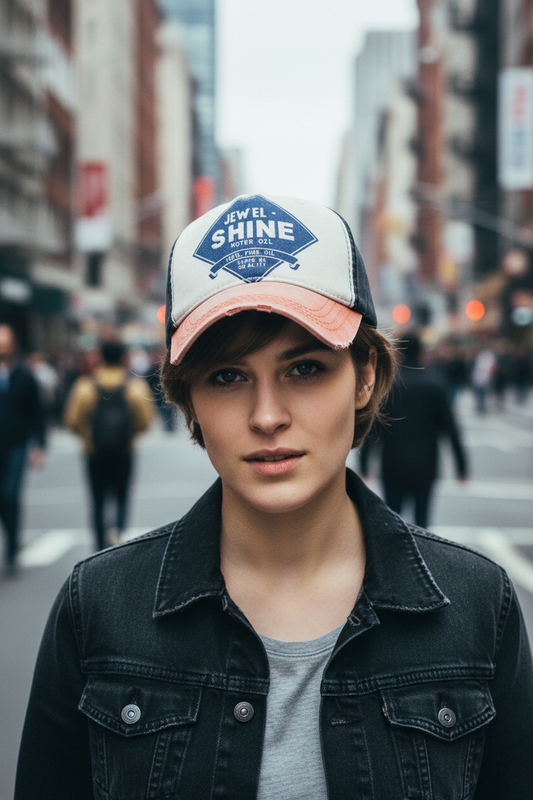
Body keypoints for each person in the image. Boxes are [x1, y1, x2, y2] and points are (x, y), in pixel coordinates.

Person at [15, 195, 533, 799]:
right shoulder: (96, 610)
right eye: (227, 376)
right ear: (188, 399)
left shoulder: (476, 608)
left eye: (305, 368)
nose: (267, 416)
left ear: (365, 375)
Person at [359, 331, 469, 528]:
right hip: (425, 464)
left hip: (393, 463)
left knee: (392, 520)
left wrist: (365, 464)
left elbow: (374, 429)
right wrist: (461, 466)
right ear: (422, 353)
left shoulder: (389, 386)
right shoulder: (435, 384)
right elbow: (450, 429)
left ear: (399, 352)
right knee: (422, 521)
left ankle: (392, 559)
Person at [64, 340, 154, 550]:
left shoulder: (85, 385)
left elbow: (72, 420)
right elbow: (145, 421)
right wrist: (131, 433)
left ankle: (98, 547)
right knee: (122, 497)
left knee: (97, 500)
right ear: (123, 358)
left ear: (101, 357)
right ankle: (118, 538)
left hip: (94, 452)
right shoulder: (134, 385)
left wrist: (86, 435)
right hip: (125, 451)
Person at [0, 324, 46, 575]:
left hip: (17, 444)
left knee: (10, 495)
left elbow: (37, 413)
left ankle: (12, 548)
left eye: (5, 340)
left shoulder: (24, 376)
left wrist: (39, 446)